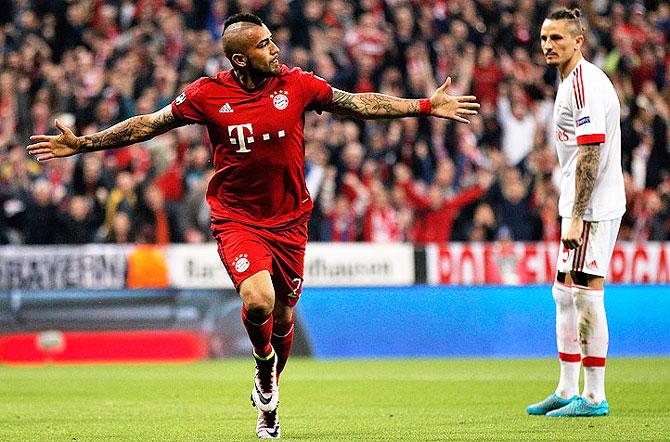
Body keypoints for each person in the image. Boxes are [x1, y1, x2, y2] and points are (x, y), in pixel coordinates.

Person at [26, 13, 479, 439]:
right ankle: (263, 370)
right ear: (240, 58)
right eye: (264, 44)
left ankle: (268, 401)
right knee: (258, 298)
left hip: (290, 221)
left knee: (284, 315)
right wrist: (84, 144)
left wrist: (422, 106)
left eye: (272, 40)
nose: (276, 49)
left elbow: (357, 103)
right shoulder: (207, 93)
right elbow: (151, 123)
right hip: (236, 217)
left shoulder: (297, 84)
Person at [526, 9, 625, 418]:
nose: (549, 45)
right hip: (578, 201)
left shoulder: (583, 83)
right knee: (563, 293)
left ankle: (594, 397)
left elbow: (590, 152)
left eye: (558, 39)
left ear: (578, 41)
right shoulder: (567, 79)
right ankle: (568, 387)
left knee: (585, 295)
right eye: (545, 37)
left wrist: (578, 215)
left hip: (594, 207)